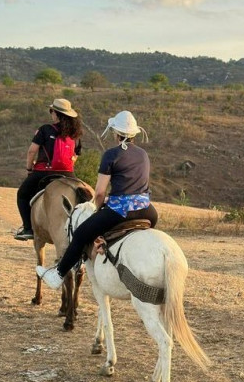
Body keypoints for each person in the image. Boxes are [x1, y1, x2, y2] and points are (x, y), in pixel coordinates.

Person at [36, 110, 157, 289]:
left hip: (120, 211)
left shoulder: (111, 155)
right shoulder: (143, 154)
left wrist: (97, 209)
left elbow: (99, 192)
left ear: (116, 133)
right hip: (148, 211)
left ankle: (58, 274)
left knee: (80, 235)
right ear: (133, 134)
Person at [14, 98, 82, 240]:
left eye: (52, 111)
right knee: (83, 198)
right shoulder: (75, 134)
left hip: (44, 171)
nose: (51, 113)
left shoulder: (45, 129)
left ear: (55, 113)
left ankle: (28, 229)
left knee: (23, 194)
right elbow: (75, 156)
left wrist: (29, 168)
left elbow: (32, 151)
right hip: (68, 174)